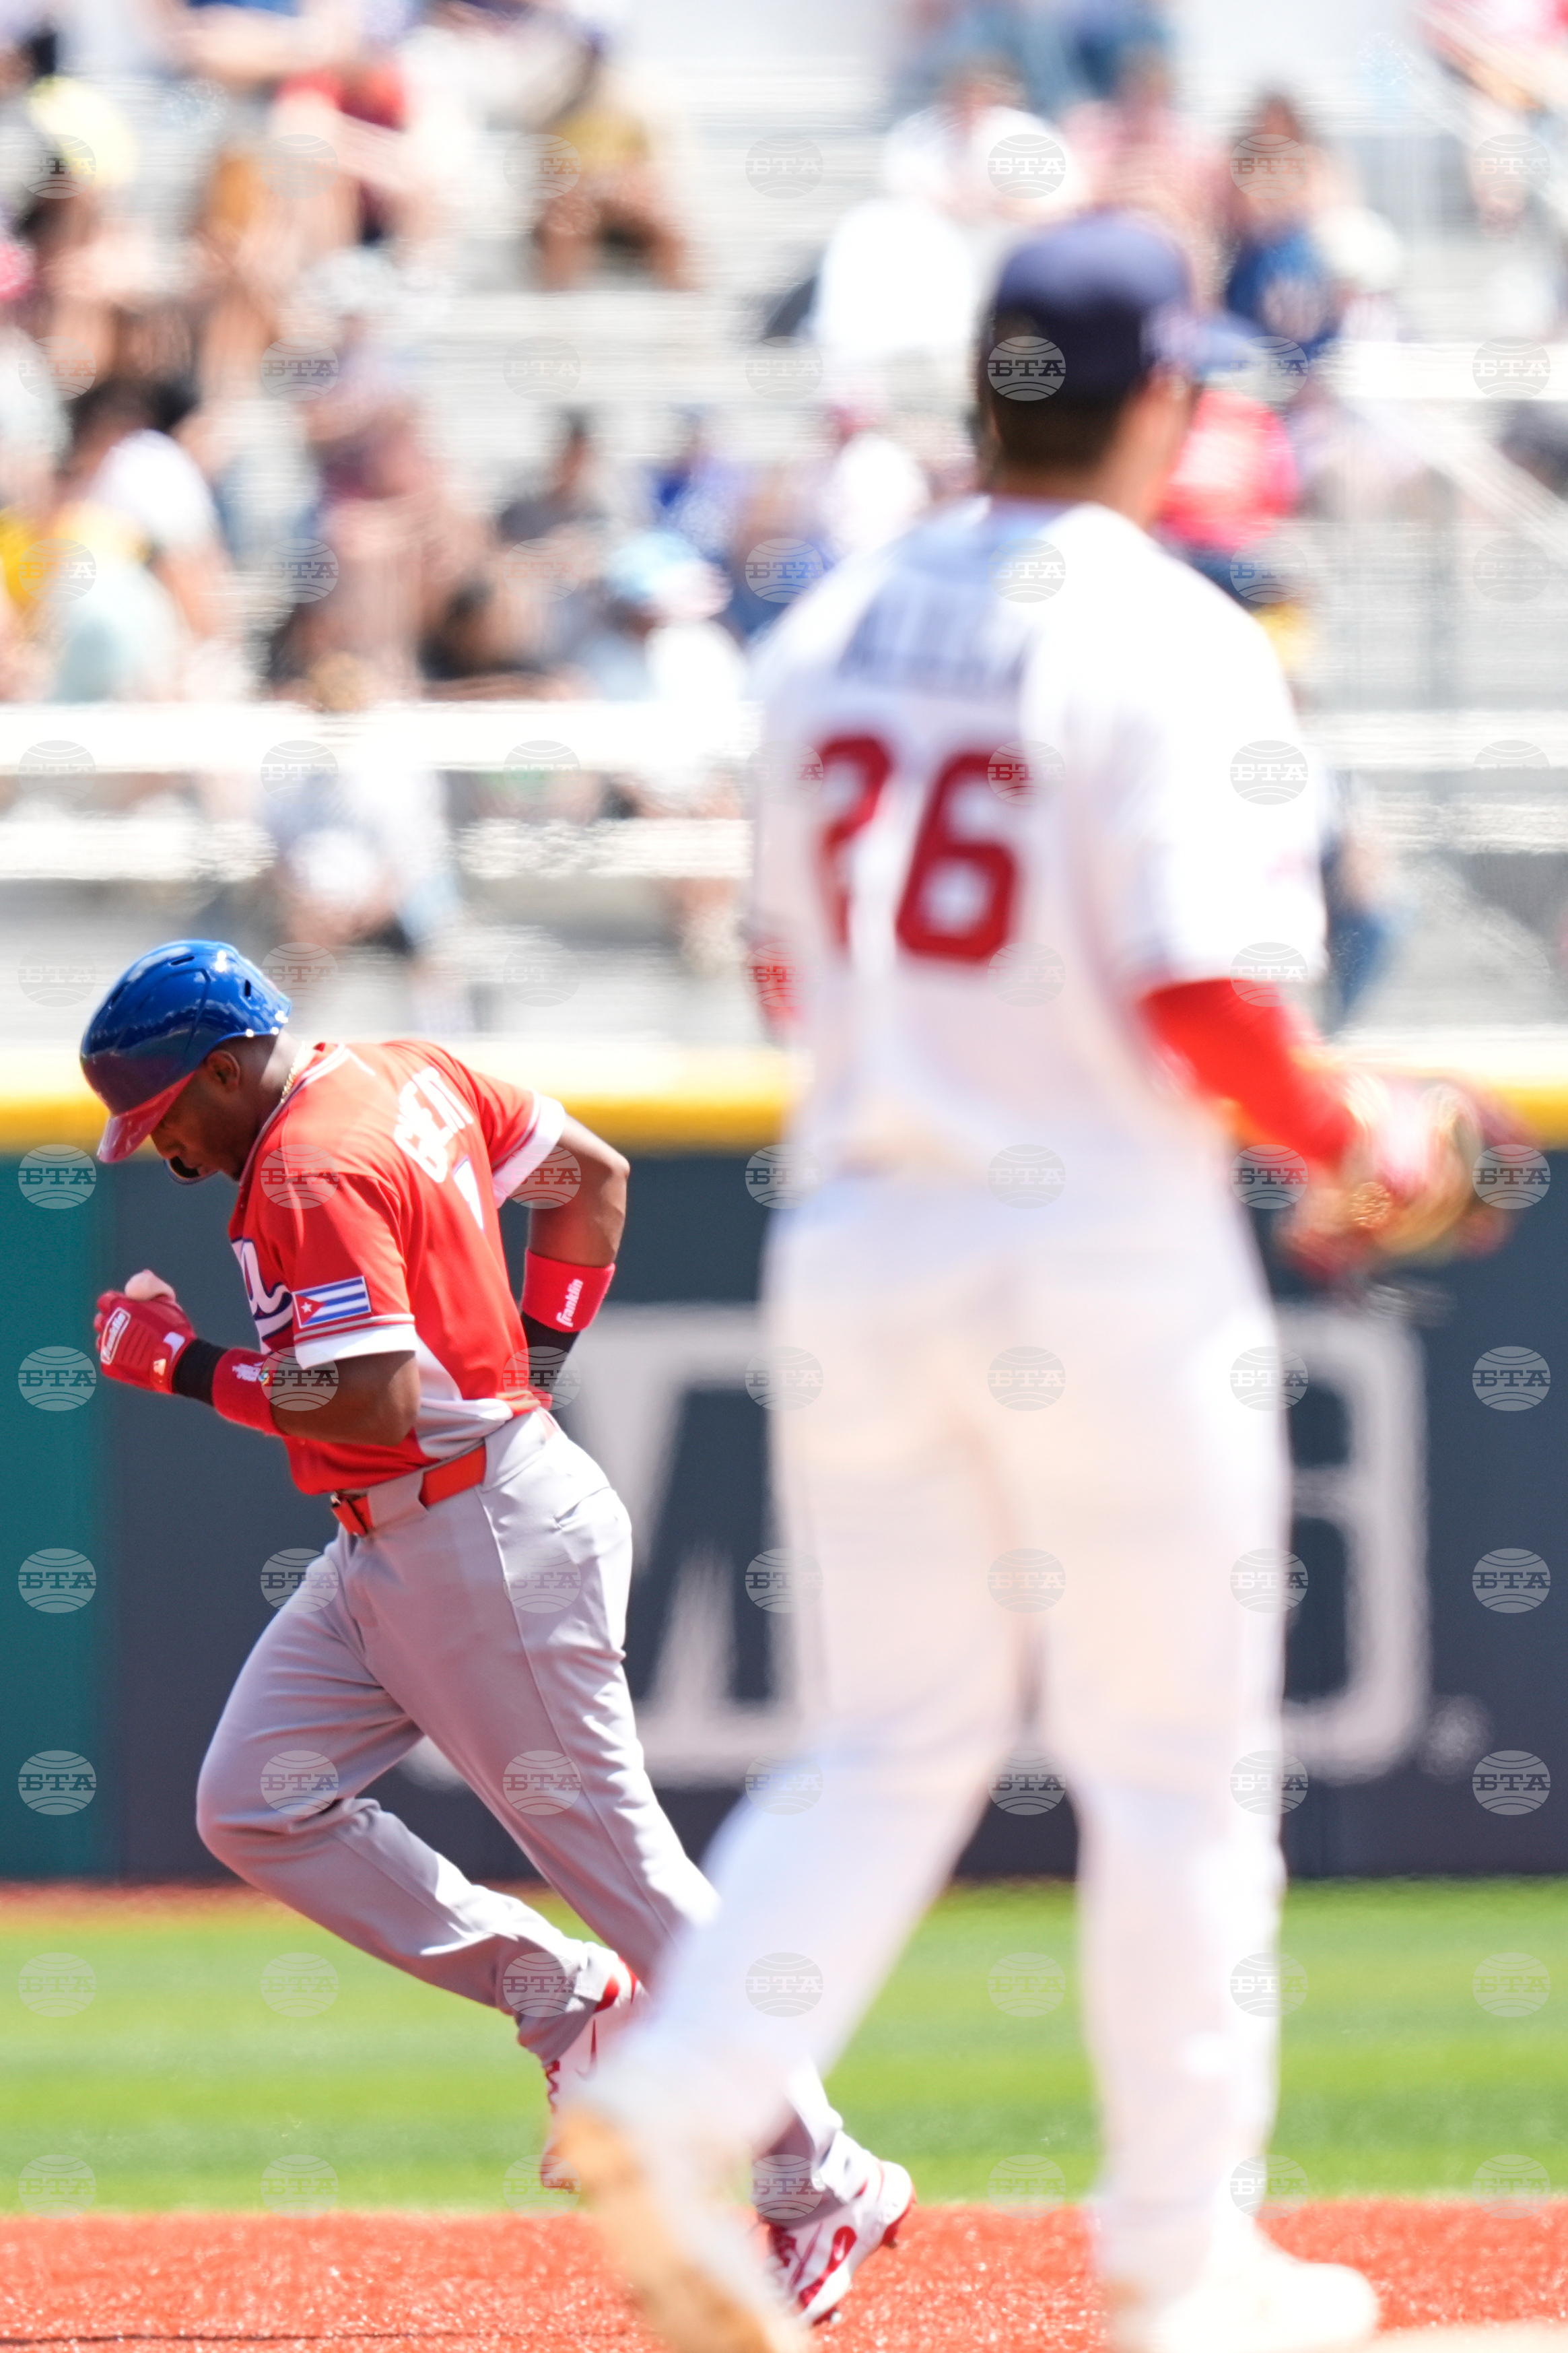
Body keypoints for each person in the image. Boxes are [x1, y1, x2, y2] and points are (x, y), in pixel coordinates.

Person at [555, 216, 1491, 2353]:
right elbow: (1205, 1003)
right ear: (1162, 398)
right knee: (1177, 1773)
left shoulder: (834, 625)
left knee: (887, 1743)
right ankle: (1181, 2258)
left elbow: (788, 963)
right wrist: (1369, 1136)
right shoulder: (1171, 634)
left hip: (861, 1225)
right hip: (1095, 1242)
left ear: (987, 390)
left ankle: (687, 2091)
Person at [79, 941, 910, 2329]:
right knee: (256, 1800)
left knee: (631, 1867)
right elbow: (593, 1181)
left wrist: (178, 1365)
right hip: (407, 1533)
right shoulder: (408, 1068)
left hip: (476, 1541)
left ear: (226, 1067)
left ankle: (819, 2178)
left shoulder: (306, 1166)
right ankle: (561, 1987)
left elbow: (368, 1409)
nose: (160, 1149)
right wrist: (534, 1364)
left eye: (166, 1115)